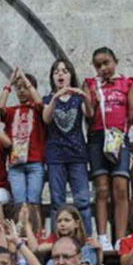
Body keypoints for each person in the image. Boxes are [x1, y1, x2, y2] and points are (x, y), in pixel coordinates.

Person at [85, 46, 133, 248]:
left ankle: (120, 239)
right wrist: (92, 101)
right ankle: (103, 236)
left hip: (118, 137)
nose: (103, 68)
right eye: (98, 65)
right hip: (98, 138)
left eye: (106, 63)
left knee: (121, 188)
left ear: (115, 61)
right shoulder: (90, 84)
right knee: (102, 188)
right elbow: (89, 117)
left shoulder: (127, 83)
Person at [42, 59, 93, 234]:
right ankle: (57, 238)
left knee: (82, 200)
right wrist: (55, 97)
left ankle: (86, 238)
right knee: (57, 201)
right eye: (56, 71)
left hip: (77, 154)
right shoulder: (48, 99)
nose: (60, 74)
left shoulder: (78, 98)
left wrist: (86, 96)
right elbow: (46, 118)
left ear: (71, 75)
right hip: (55, 155)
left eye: (64, 71)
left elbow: (90, 113)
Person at [0, 68, 46, 228]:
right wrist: (9, 83)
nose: (22, 91)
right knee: (19, 201)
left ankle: (37, 232)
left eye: (25, 87)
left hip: (35, 162)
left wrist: (26, 81)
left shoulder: (38, 110)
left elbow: (39, 103)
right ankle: (20, 231)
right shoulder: (12, 111)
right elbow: (0, 107)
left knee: (34, 201)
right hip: (16, 163)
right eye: (18, 88)